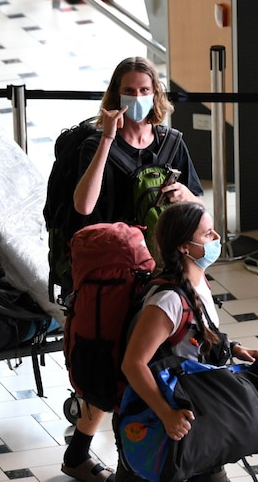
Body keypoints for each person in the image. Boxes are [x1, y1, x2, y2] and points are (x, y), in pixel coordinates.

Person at [62, 56, 204, 482]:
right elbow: (83, 205)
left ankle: (98, 458)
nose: (138, 98)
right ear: (115, 94)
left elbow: (199, 210)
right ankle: (110, 460)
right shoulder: (97, 143)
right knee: (117, 364)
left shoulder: (170, 142)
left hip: (159, 271)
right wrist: (106, 139)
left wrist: (184, 197)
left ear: (156, 94)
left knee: (149, 363)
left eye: (145, 90)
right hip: (114, 272)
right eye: (130, 90)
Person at [117, 202, 258, 482]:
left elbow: (197, 335)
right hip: (161, 419)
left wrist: (234, 348)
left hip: (196, 410)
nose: (216, 239)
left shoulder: (199, 281)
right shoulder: (168, 301)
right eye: (208, 234)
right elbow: (133, 363)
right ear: (185, 247)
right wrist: (166, 414)